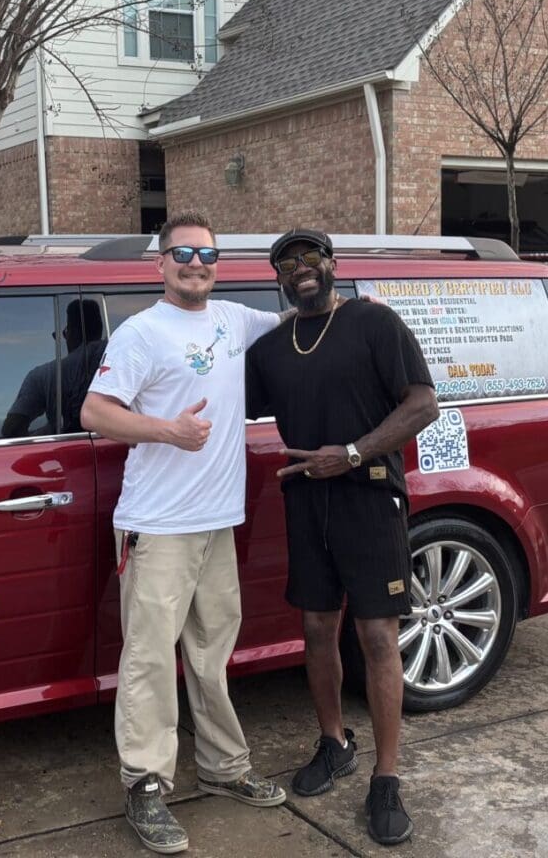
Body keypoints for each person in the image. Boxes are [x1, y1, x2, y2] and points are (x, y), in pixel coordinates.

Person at [80, 212, 288, 854]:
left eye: (207, 254)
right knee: (148, 658)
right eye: (182, 254)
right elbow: (94, 411)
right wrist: (170, 430)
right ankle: (146, 784)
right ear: (160, 262)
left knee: (211, 653)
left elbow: (307, 321)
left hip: (216, 524)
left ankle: (226, 769)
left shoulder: (233, 320)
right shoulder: (142, 333)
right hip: (159, 526)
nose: (196, 263)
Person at [245, 228, 439, 847]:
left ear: (331, 265)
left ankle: (387, 777)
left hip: (369, 495)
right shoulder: (271, 349)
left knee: (378, 636)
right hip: (306, 501)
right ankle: (334, 744)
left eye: (311, 258)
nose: (301, 269)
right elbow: (222, 401)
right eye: (287, 264)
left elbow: (424, 404)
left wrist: (352, 453)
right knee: (316, 629)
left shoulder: (373, 324)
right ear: (278, 278)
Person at [2, 299, 106, 437]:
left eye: (64, 333)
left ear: (72, 332)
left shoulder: (43, 375)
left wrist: (50, 431)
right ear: (100, 329)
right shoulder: (118, 356)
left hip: (64, 452)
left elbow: (12, 430)